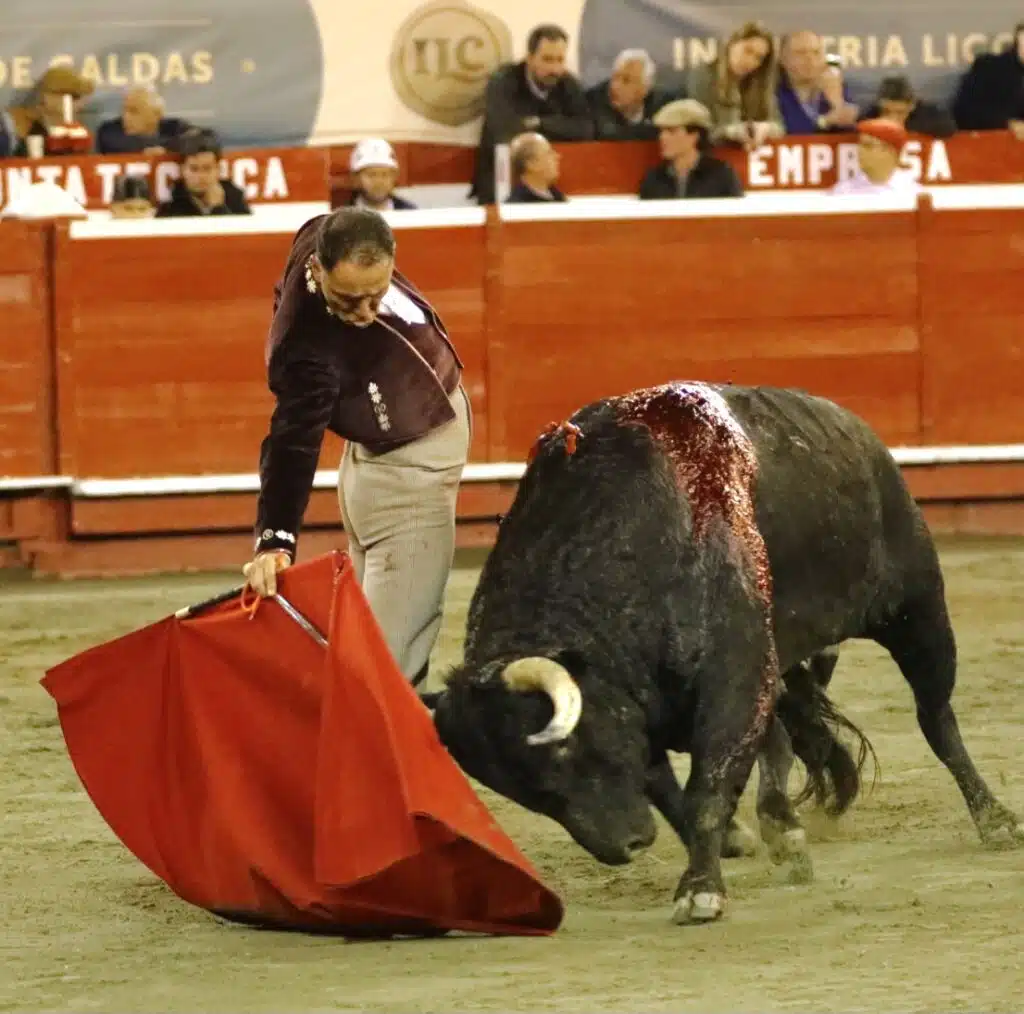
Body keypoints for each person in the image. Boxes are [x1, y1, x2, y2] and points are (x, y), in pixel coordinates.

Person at [243, 208, 471, 688]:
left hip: (378, 462)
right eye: (348, 300)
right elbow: (292, 440)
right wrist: (276, 539)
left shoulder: (320, 233)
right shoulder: (305, 348)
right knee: (388, 667)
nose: (366, 313)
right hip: (408, 471)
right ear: (319, 268)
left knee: (372, 640)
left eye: (376, 294)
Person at [638, 99, 743, 199]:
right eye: (661, 131)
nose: (662, 137)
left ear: (694, 136)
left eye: (671, 131)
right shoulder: (654, 179)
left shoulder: (720, 175)